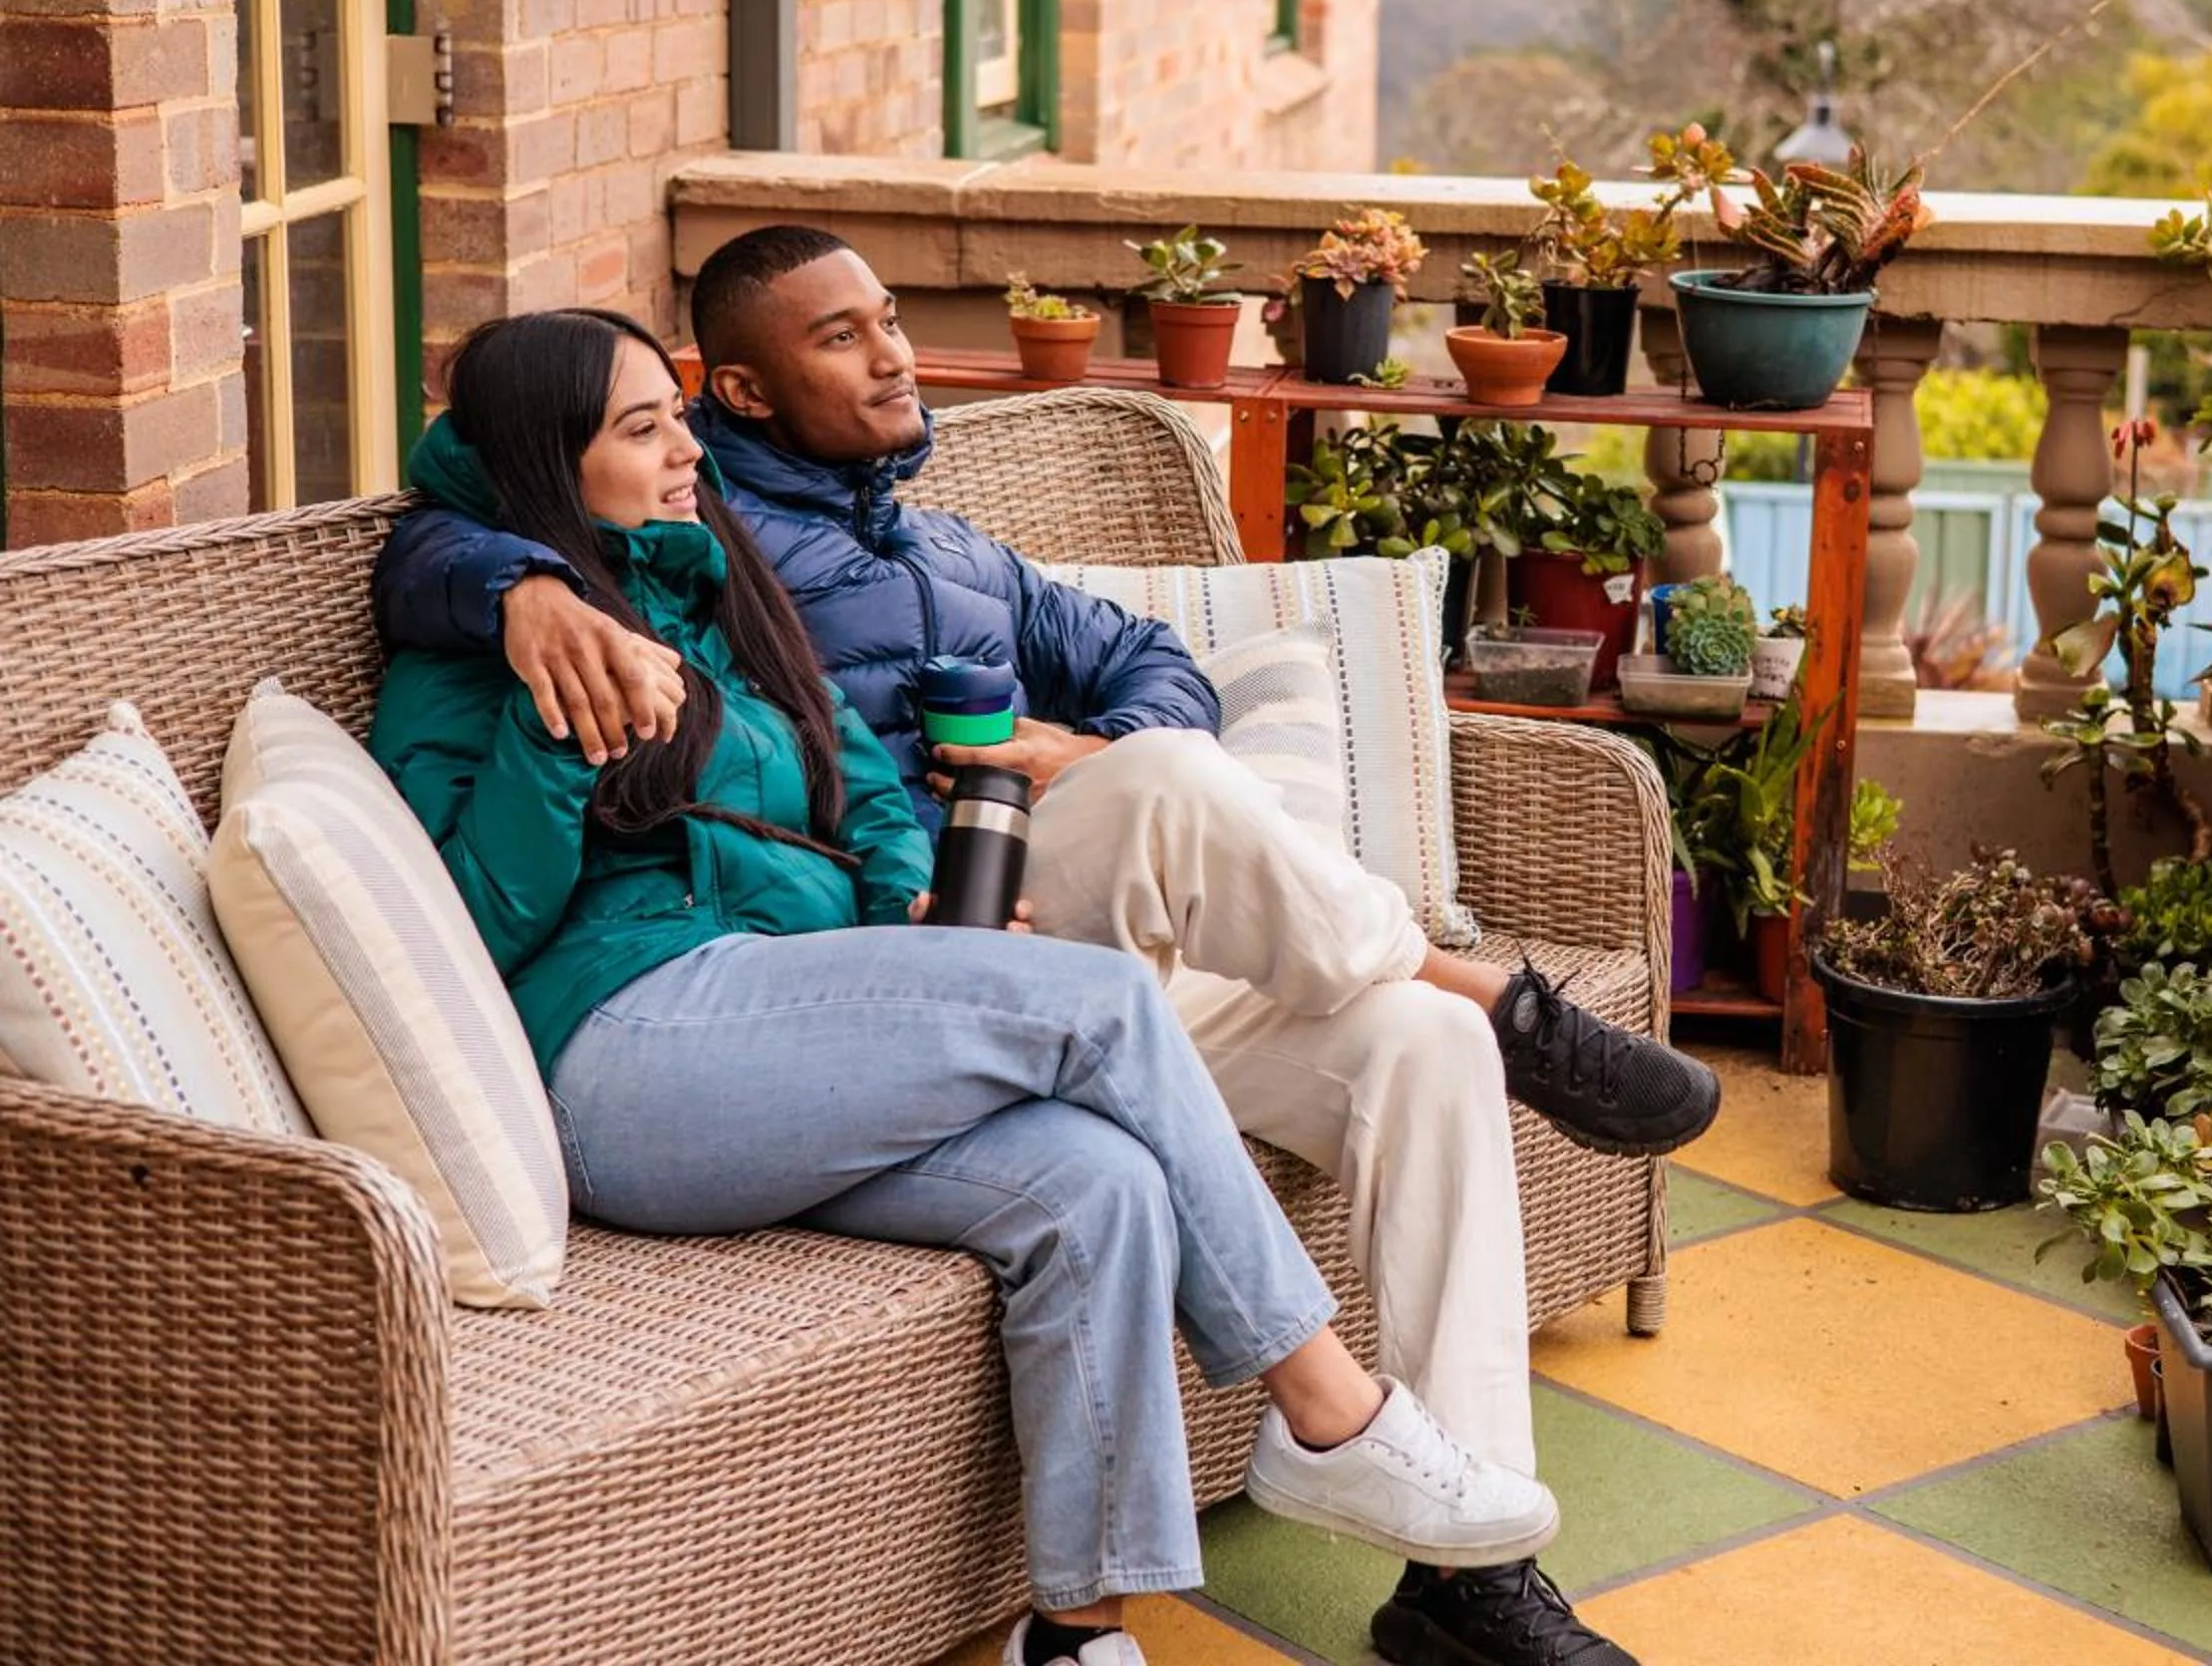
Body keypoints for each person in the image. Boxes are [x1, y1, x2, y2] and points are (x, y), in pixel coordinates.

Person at [374, 226, 1704, 1666]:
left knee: (1105, 1184)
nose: (683, 445)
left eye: (672, 418)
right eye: (650, 427)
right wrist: (549, 692)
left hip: (841, 994)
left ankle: (1087, 1632)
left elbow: (859, 786)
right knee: (1104, 998)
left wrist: (936, 908)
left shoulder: (742, 590)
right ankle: (1331, 1408)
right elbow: (472, 878)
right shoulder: (531, 624)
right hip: (636, 1037)